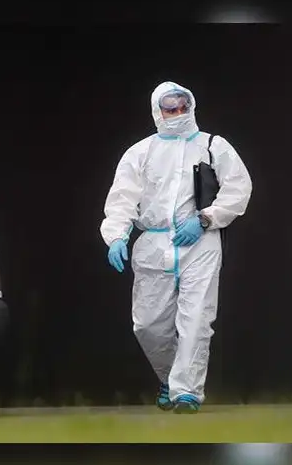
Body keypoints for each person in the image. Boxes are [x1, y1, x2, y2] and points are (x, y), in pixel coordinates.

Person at [100, 81, 252, 413]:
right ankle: (171, 377)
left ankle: (187, 393)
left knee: (196, 319)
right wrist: (117, 235)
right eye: (171, 108)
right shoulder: (140, 153)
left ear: (192, 106)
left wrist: (206, 218)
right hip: (153, 242)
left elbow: (238, 188)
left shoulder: (212, 146)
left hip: (200, 240)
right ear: (158, 111)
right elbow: (122, 197)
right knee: (148, 324)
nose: (179, 113)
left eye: (184, 106)